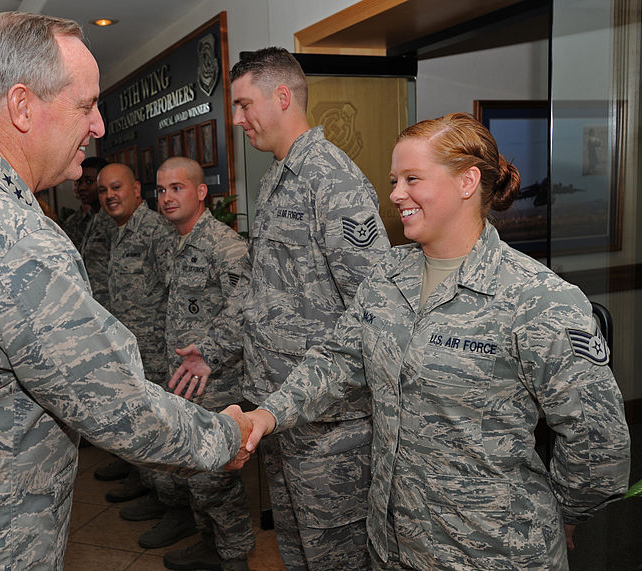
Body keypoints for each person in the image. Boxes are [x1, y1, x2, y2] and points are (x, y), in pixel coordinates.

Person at [0, 12, 251, 569]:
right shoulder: (13, 234)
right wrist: (228, 437)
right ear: (21, 107)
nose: (100, 126)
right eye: (86, 105)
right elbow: (117, 406)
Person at [239, 112, 631, 570]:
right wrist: (267, 414)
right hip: (392, 547)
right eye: (394, 179)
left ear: (467, 181)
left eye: (412, 178)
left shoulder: (539, 300)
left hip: (492, 553)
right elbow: (336, 361)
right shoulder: (387, 275)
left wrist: (559, 514)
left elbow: (599, 447)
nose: (395, 194)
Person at [174, 47, 390, 570]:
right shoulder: (274, 179)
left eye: (245, 104)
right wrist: (216, 351)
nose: (237, 118)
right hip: (278, 411)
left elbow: (375, 306)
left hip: (328, 426)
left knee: (335, 555)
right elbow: (261, 295)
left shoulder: (332, 180)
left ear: (283, 96)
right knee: (296, 550)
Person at [157, 157, 255, 571]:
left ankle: (234, 556)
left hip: (215, 381)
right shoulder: (171, 242)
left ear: (201, 193)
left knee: (216, 474)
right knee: (193, 467)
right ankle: (208, 543)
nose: (166, 197)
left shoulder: (224, 245)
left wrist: (209, 353)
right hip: (182, 379)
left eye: (177, 188)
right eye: (161, 190)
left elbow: (244, 307)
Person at [95, 162, 199, 550]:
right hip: (132, 355)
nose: (109, 196)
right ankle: (156, 494)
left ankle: (178, 511)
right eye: (104, 191)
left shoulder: (153, 231)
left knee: (163, 433)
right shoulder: (119, 231)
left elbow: (180, 292)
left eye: (116, 187)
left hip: (158, 354)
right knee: (145, 431)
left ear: (137, 190)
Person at [60, 155, 106, 248]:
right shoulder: (90, 218)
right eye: (79, 182)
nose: (81, 188)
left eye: (89, 182)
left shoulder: (115, 220)